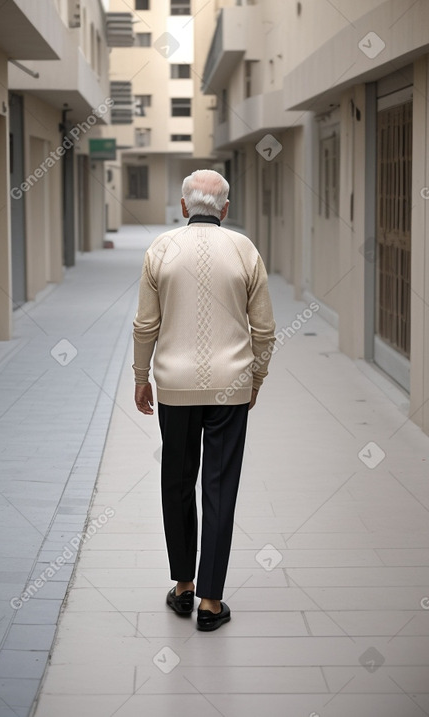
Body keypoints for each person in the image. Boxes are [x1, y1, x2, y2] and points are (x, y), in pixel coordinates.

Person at [132, 169, 276, 631]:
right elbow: (265, 330)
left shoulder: (161, 249)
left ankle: (182, 587)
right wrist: (255, 379)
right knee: (218, 486)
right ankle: (211, 601)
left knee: (176, 481)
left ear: (182, 207)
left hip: (173, 386)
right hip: (231, 387)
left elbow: (145, 326)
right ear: (226, 210)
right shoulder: (244, 249)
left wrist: (141, 376)